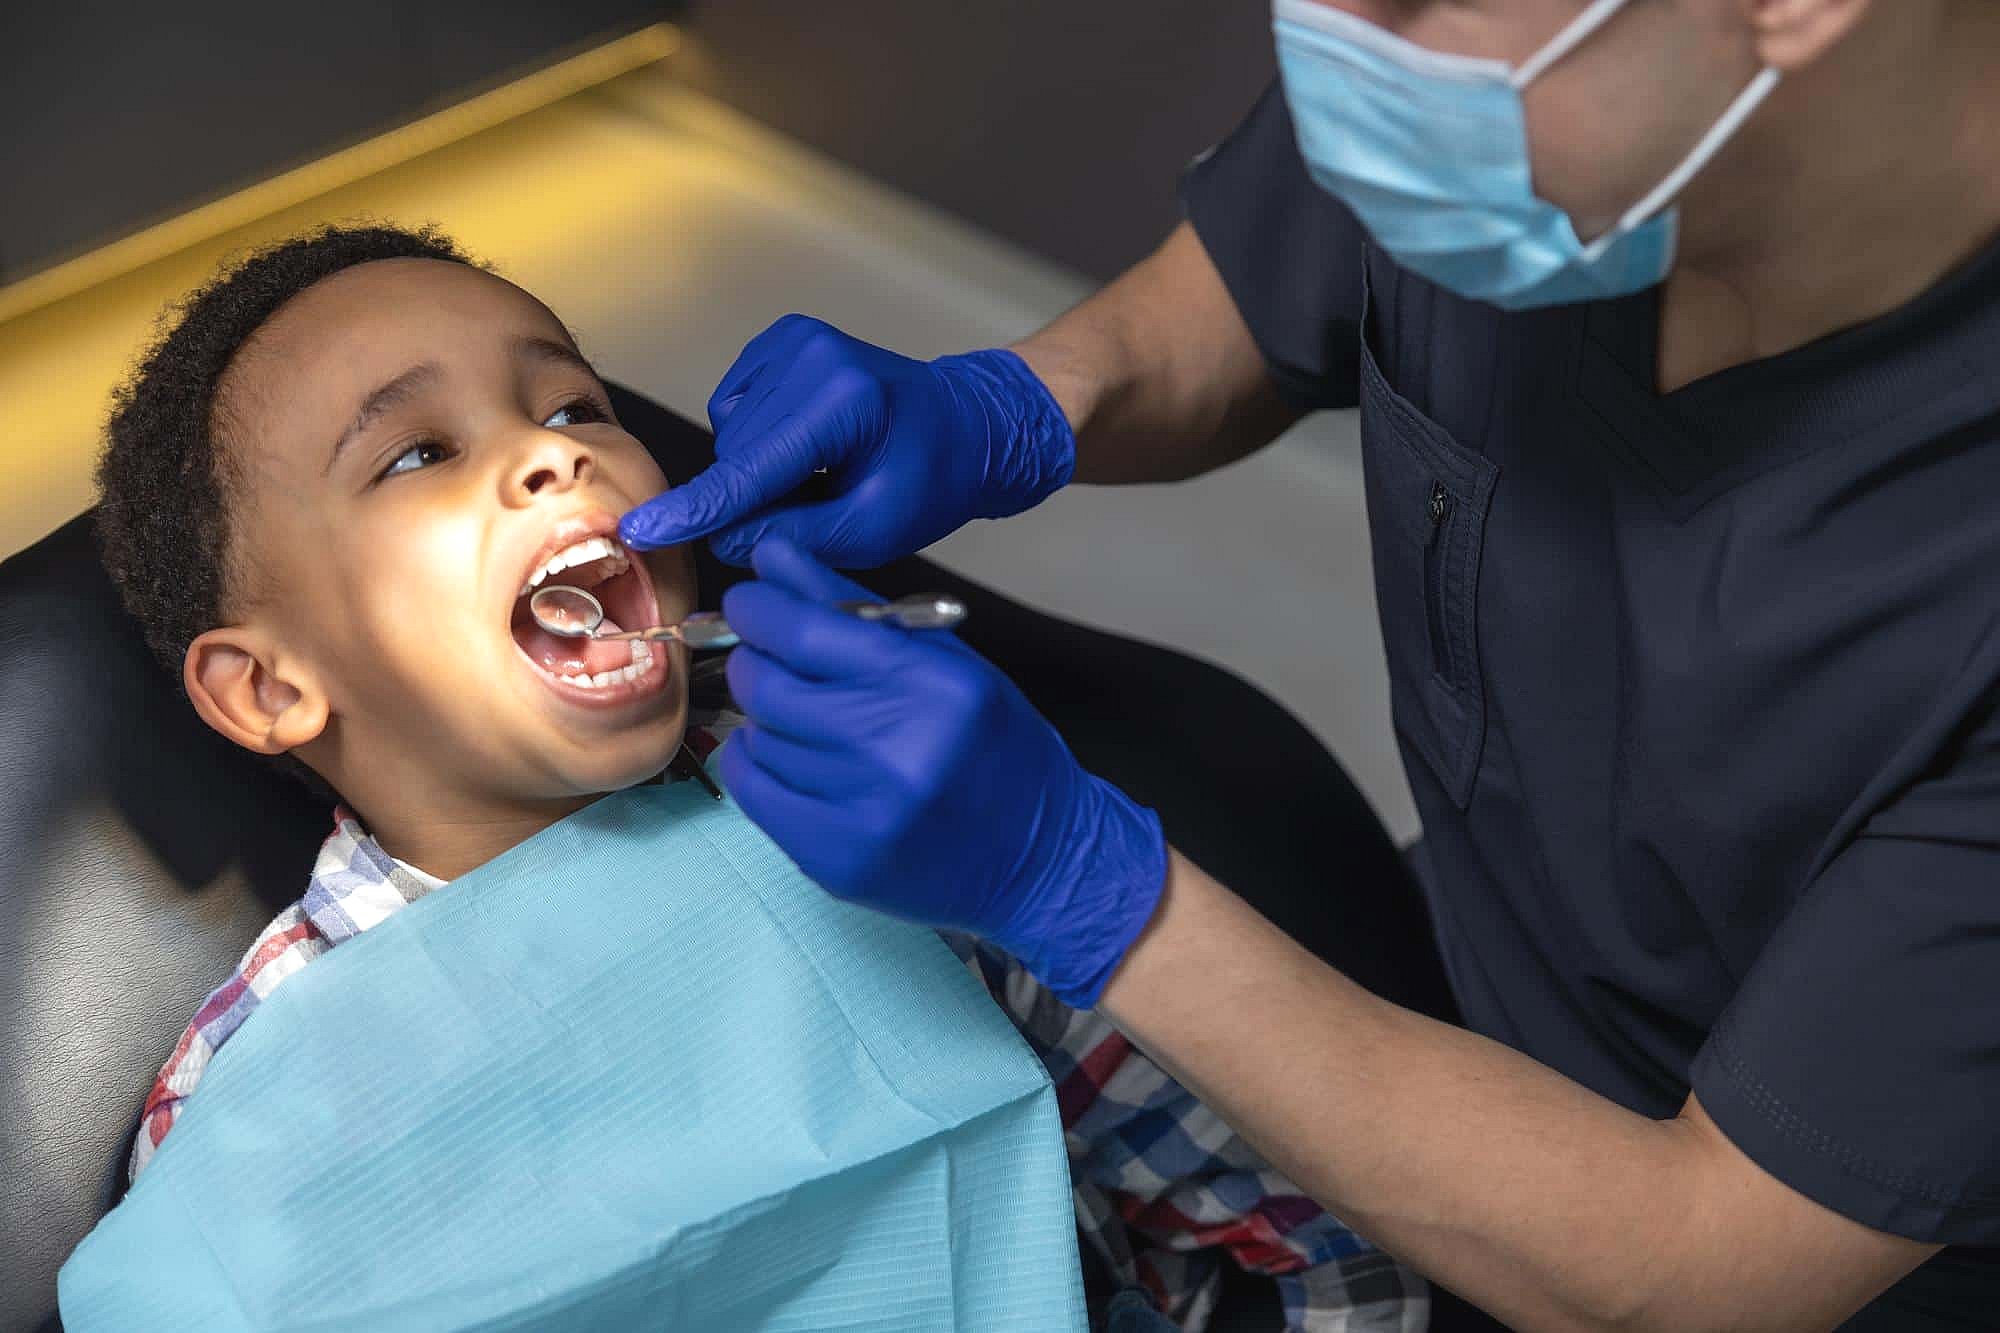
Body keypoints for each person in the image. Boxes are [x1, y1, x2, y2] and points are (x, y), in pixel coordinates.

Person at [618, 1, 2000, 1327]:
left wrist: (1086, 887)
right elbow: (1275, 273)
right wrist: (1023, 400)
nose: (1330, 52)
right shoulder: (1522, 94)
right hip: (1451, 972)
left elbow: (1692, 1269)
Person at [91, 224, 1423, 1331]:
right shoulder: (263, 1096)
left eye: (573, 406)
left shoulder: (886, 823)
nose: (556, 452)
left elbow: (1256, 1204)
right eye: (417, 454)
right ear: (270, 687)